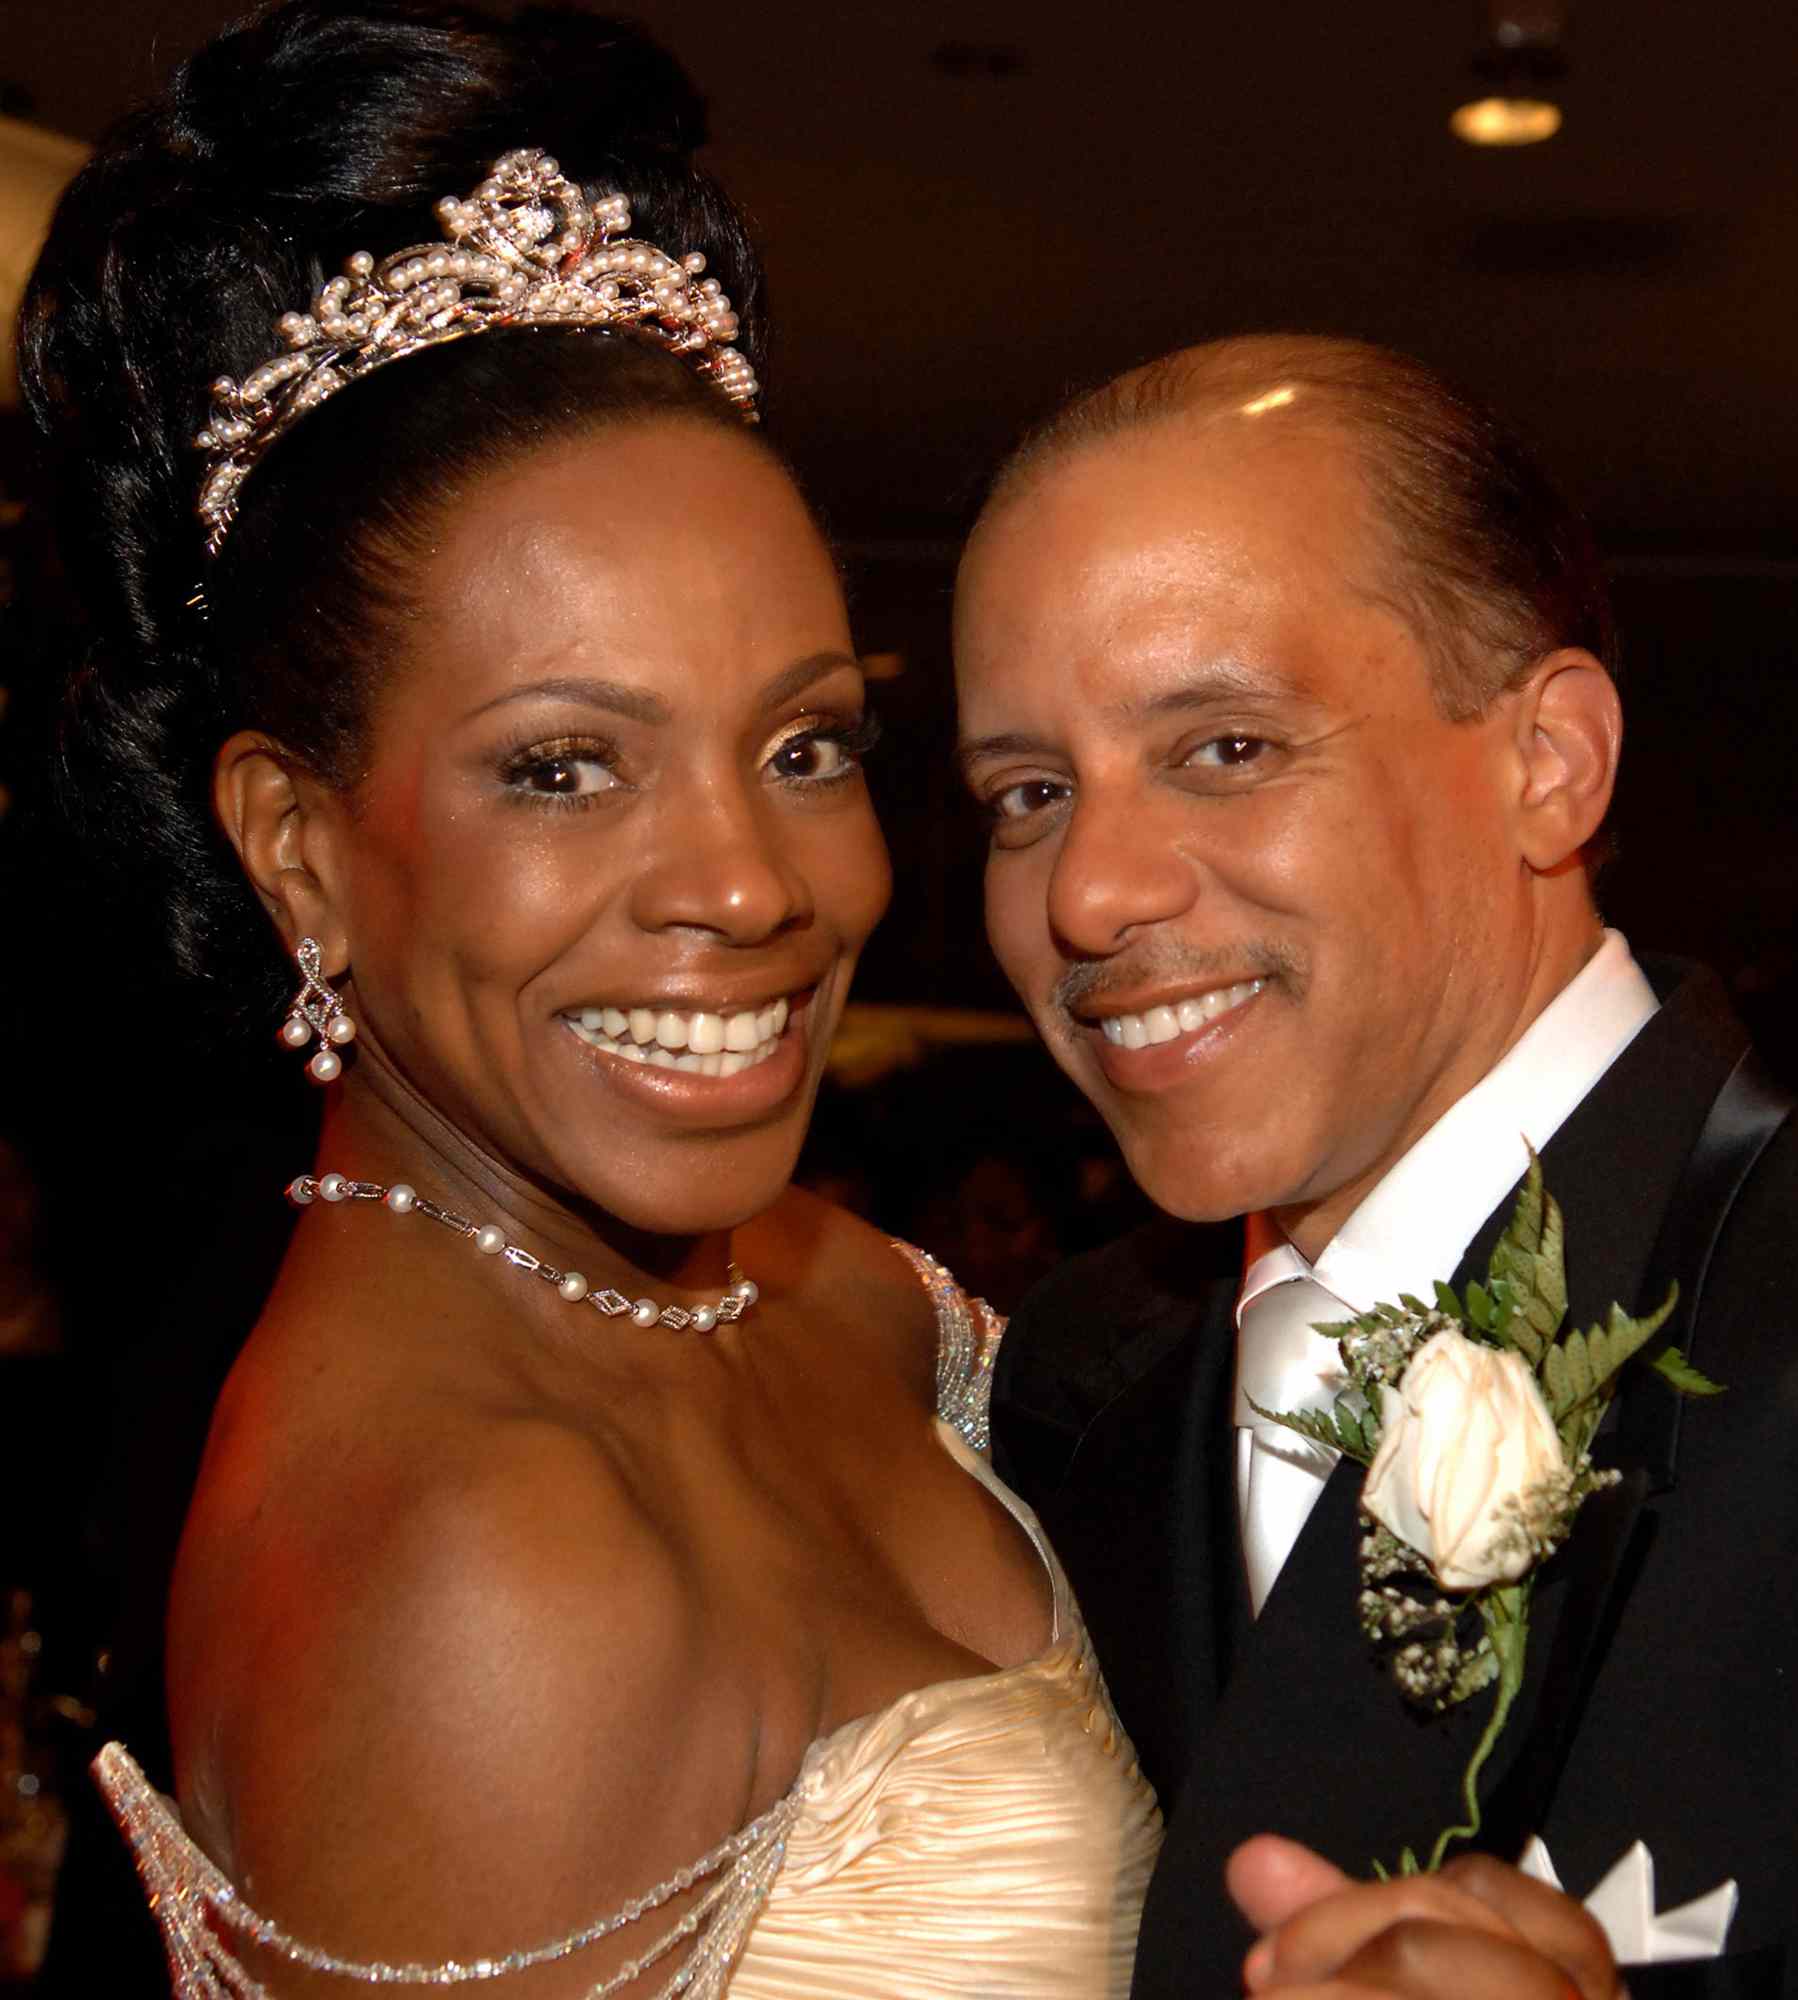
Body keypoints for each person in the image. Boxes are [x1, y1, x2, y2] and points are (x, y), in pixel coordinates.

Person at [18, 4, 1160, 1993]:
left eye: (802, 746)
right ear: (298, 849)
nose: (749, 884)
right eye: (563, 766)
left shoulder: (844, 1297)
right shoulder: (479, 1560)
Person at [953, 333, 1798, 2000]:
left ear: (1547, 763)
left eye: (1223, 747)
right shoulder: (1064, 1384)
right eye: (1027, 792)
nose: (1084, 893)